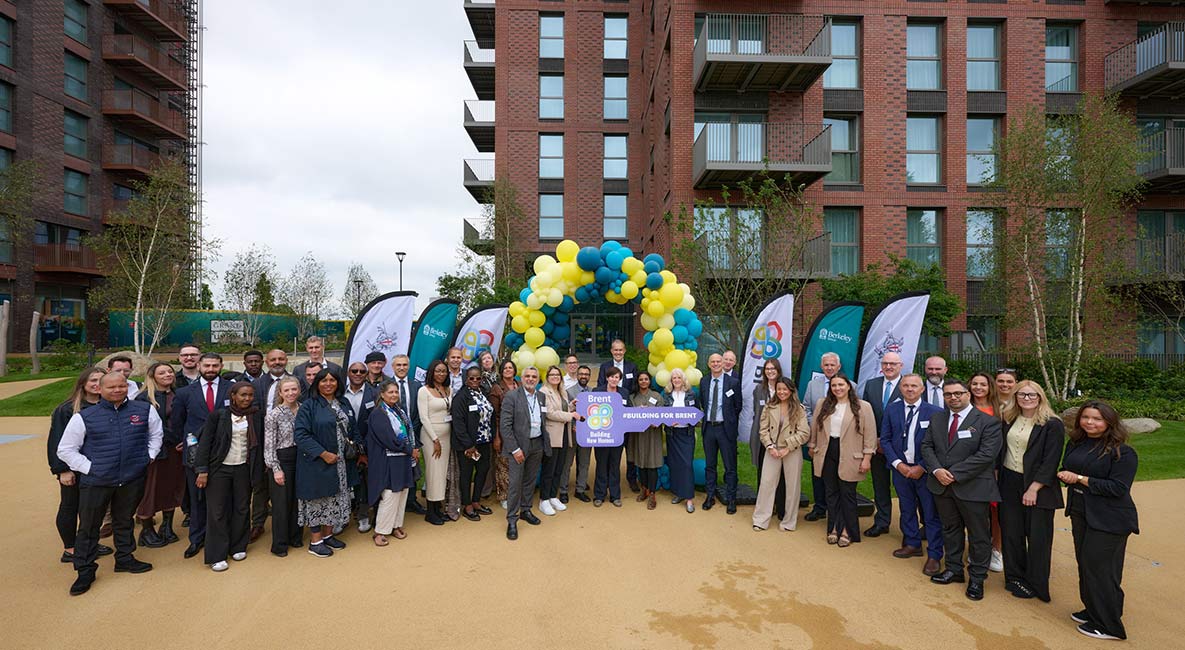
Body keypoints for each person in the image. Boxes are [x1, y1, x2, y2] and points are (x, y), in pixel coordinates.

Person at [56, 372, 162, 596]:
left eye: (121, 386)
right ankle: (85, 570)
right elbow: (65, 449)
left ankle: (124, 558)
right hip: (97, 481)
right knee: (89, 526)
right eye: (111, 387)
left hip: (132, 478)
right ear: (100, 390)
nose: (117, 390)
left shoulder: (144, 410)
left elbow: (156, 435)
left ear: (128, 386)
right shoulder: (84, 416)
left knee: (124, 521)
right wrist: (90, 468)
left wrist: (148, 457)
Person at [1058, 401, 1139, 641]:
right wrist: (1067, 475)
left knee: (1102, 570)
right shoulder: (1076, 443)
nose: (1090, 422)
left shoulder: (1123, 452)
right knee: (1086, 564)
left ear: (1109, 422)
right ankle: (1094, 610)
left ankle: (1109, 626)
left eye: (1097, 419)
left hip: (1110, 519)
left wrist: (1080, 479)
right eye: (1086, 417)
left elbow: (1118, 488)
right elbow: (1068, 468)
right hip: (1082, 512)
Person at [921, 377, 1003, 601]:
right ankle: (954, 569)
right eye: (948, 394)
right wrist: (937, 470)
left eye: (958, 393)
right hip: (941, 486)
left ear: (968, 394)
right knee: (950, 529)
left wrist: (954, 474)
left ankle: (977, 578)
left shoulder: (988, 422)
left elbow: (987, 455)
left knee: (978, 535)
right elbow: (927, 446)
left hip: (973, 487)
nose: (953, 398)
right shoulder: (937, 418)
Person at [998, 380, 1065, 602]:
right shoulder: (1008, 419)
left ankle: (1036, 583)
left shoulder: (1052, 424)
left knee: (1038, 537)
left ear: (1040, 397)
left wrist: (1034, 488)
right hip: (1009, 481)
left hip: (1037, 487)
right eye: (1022, 395)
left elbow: (1051, 460)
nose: (1027, 399)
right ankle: (1015, 577)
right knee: (1011, 532)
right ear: (1015, 397)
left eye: (1032, 395)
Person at [880, 373, 944, 576]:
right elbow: (886, 440)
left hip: (925, 472)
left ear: (922, 389)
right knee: (906, 509)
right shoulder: (892, 409)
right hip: (900, 470)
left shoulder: (935, 412)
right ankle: (912, 543)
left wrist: (922, 467)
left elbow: (939, 446)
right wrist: (898, 465)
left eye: (914, 386)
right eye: (906, 385)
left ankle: (934, 554)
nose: (909, 389)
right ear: (900, 388)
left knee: (931, 514)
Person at [171, 352, 231, 559]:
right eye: (207, 366)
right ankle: (196, 539)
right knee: (197, 499)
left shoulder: (231, 389)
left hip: (225, 451)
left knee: (224, 498)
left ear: (221, 366)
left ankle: (223, 537)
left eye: (215, 365)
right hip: (195, 453)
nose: (211, 369)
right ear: (199, 366)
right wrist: (183, 441)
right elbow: (178, 421)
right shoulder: (185, 393)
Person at [47, 367, 110, 564]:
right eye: (93, 380)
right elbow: (56, 441)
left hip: (99, 466)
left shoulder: (108, 405)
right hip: (73, 467)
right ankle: (71, 547)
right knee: (70, 505)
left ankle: (87, 542)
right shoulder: (67, 409)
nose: (97, 384)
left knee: (91, 507)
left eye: (101, 380)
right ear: (83, 383)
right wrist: (62, 470)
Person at [194, 382, 258, 572]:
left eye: (250, 395)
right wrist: (202, 470)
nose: (247, 399)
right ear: (233, 396)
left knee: (242, 507)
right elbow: (205, 442)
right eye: (243, 395)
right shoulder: (219, 415)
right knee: (217, 511)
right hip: (219, 469)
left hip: (243, 468)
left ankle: (238, 545)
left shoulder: (255, 415)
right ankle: (217, 554)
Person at [294, 368, 357, 558]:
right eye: (323, 381)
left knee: (335, 498)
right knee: (317, 500)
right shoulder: (309, 405)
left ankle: (328, 535)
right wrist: (323, 454)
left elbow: (351, 427)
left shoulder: (343, 402)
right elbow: (301, 435)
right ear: (317, 384)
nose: (328, 384)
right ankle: (316, 541)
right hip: (317, 463)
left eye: (332, 380)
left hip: (341, 463)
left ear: (338, 382)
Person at [807, 373, 875, 548]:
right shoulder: (824, 404)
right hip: (827, 451)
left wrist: (867, 458)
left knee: (847, 493)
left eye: (841, 385)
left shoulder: (863, 407)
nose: (837, 388)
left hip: (851, 454)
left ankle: (847, 530)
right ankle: (834, 529)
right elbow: (814, 427)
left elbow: (870, 435)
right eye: (834, 385)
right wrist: (812, 446)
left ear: (849, 386)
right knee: (831, 493)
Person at [133, 362, 184, 548]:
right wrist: (175, 438)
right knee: (151, 489)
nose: (167, 375)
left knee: (171, 487)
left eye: (170, 371)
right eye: (162, 372)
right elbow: (150, 427)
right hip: (156, 451)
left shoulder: (179, 394)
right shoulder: (144, 398)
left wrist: (185, 440)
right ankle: (147, 530)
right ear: (153, 376)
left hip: (176, 451)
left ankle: (167, 526)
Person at [499, 366, 549, 540]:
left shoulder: (541, 396)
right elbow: (504, 426)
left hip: (537, 445)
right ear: (522, 378)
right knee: (515, 484)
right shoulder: (511, 397)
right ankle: (512, 520)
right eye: (527, 376)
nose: (530, 379)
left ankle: (526, 511)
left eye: (534, 376)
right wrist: (515, 449)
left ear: (537, 379)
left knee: (530, 481)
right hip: (518, 447)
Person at [753, 377, 809, 532]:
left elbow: (804, 433)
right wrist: (770, 446)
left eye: (785, 389)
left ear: (791, 391)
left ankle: (789, 521)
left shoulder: (799, 409)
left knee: (792, 486)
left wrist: (788, 447)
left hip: (791, 450)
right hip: (772, 450)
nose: (782, 392)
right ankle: (760, 519)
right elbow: (763, 429)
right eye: (779, 389)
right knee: (766, 484)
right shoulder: (770, 406)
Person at [367, 380, 419, 544]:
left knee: (402, 492)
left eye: (396, 392)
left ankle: (396, 525)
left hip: (402, 459)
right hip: (388, 460)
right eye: (390, 392)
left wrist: (411, 448)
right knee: (390, 494)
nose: (394, 395)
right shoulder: (378, 413)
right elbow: (388, 439)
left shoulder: (398, 410)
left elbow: (407, 431)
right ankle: (380, 531)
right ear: (382, 394)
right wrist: (410, 450)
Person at [861, 351, 904, 538]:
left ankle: (909, 526)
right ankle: (882, 521)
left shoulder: (908, 385)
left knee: (904, 488)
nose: (888, 367)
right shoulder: (872, 385)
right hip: (876, 446)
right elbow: (866, 415)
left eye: (893, 364)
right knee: (880, 485)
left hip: (901, 447)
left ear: (900, 365)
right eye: (885, 363)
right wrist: (875, 440)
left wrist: (888, 441)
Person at [249, 348, 291, 541]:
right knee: (260, 484)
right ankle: (258, 523)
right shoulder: (257, 384)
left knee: (286, 484)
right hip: (261, 440)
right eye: (273, 359)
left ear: (286, 360)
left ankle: (289, 524)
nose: (277, 362)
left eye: (281, 359)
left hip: (288, 443)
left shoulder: (295, 382)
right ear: (267, 362)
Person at [263, 376, 304, 556]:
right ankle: (280, 544)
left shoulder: (304, 410)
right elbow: (269, 444)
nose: (290, 393)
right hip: (282, 458)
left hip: (302, 458)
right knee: (281, 503)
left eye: (293, 389)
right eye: (286, 390)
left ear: (299, 390)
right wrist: (275, 468)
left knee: (298, 500)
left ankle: (296, 537)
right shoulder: (274, 414)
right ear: (280, 393)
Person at [971, 370, 1006, 573]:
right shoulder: (964, 407)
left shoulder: (1000, 410)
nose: (978, 388)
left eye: (982, 384)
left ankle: (996, 549)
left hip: (992, 468)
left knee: (994, 511)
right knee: (973, 510)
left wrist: (996, 467)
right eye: (974, 384)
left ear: (989, 387)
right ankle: (978, 547)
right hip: (968, 467)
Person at [451, 366, 496, 521]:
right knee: (466, 473)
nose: (475, 381)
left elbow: (489, 415)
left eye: (478, 378)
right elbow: (458, 423)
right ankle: (467, 505)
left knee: (483, 470)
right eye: (472, 378)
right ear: (466, 379)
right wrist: (468, 445)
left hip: (484, 441)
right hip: (468, 445)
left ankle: (476, 501)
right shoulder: (461, 397)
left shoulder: (483, 393)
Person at [802, 352, 842, 521]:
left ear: (839, 367)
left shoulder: (849, 385)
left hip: (839, 438)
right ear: (821, 367)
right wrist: (817, 424)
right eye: (826, 365)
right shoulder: (813, 385)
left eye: (832, 365)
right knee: (817, 472)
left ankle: (837, 509)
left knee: (838, 474)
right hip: (817, 437)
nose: (829, 367)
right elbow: (806, 408)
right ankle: (819, 507)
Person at [701, 353, 742, 514]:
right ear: (709, 364)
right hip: (709, 428)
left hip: (726, 429)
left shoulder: (733, 382)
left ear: (723, 363)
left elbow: (737, 406)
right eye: (713, 362)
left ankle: (731, 499)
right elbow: (703, 403)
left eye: (719, 361)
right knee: (710, 465)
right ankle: (710, 496)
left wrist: (729, 421)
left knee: (730, 466)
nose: (717, 364)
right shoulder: (704, 381)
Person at [597, 339, 640, 492]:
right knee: (607, 453)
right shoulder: (604, 367)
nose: (618, 352)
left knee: (630, 449)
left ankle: (631, 478)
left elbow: (635, 388)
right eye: (615, 350)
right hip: (607, 417)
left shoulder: (631, 367)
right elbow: (600, 388)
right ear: (611, 351)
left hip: (626, 415)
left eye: (621, 350)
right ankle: (605, 482)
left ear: (625, 351)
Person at [748, 359, 788, 520]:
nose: (770, 371)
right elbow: (756, 412)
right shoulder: (759, 389)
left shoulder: (785, 387)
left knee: (782, 473)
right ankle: (765, 507)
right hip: (763, 437)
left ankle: (781, 506)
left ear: (778, 370)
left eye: (773, 369)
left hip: (781, 438)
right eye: (767, 369)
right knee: (763, 473)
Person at [537, 366, 577, 515]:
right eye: (552, 374)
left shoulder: (562, 391)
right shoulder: (543, 392)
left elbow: (563, 409)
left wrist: (572, 406)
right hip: (552, 435)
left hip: (564, 435)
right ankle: (544, 500)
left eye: (557, 374)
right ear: (547, 377)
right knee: (549, 469)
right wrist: (571, 416)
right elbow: (550, 413)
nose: (555, 377)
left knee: (559, 468)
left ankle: (553, 496)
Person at [418, 359, 454, 525]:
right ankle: (430, 512)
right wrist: (435, 439)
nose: (441, 374)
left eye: (444, 371)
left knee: (442, 473)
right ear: (432, 372)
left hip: (447, 437)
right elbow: (424, 417)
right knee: (433, 473)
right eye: (438, 371)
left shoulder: (449, 390)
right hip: (431, 437)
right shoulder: (423, 391)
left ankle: (438, 508)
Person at [344, 361, 377, 533]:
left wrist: (364, 448)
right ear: (348, 373)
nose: (358, 373)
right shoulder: (339, 393)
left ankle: (363, 515)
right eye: (354, 371)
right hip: (344, 446)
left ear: (366, 374)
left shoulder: (374, 393)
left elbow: (377, 423)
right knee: (344, 481)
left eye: (361, 371)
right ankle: (342, 516)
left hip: (368, 446)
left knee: (365, 481)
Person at [391, 354, 426, 515]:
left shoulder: (416, 386)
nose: (401, 368)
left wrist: (413, 433)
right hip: (394, 437)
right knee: (396, 469)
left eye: (404, 365)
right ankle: (397, 504)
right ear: (393, 367)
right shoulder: (386, 385)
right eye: (398, 365)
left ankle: (411, 500)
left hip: (414, 433)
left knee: (413, 467)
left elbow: (419, 411)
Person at [593, 366, 629, 507]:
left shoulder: (624, 392)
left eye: (617, 377)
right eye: (612, 376)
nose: (614, 379)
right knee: (601, 464)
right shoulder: (597, 391)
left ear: (619, 379)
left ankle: (615, 496)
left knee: (615, 464)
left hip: (618, 435)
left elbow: (629, 411)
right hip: (600, 435)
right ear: (607, 377)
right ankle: (599, 495)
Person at [629, 371, 665, 510]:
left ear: (649, 381)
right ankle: (643, 489)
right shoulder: (633, 397)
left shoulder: (657, 396)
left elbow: (662, 414)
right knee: (641, 464)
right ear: (637, 382)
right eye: (641, 379)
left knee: (652, 464)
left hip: (653, 434)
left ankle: (652, 494)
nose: (643, 381)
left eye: (646, 379)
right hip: (638, 434)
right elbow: (628, 415)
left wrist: (657, 420)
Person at [664, 368, 699, 514]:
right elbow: (662, 412)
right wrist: (667, 421)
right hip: (672, 434)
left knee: (686, 465)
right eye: (674, 378)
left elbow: (697, 413)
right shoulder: (666, 395)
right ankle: (679, 493)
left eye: (679, 377)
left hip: (686, 434)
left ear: (683, 379)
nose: (676, 380)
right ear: (671, 381)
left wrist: (690, 420)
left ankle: (689, 498)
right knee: (675, 464)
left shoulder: (691, 394)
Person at [562, 364, 595, 503]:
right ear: (577, 375)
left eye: (586, 374)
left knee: (584, 462)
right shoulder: (568, 391)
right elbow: (564, 411)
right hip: (572, 432)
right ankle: (563, 490)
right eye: (581, 374)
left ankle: (580, 489)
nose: (584, 376)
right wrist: (574, 425)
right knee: (567, 462)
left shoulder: (593, 392)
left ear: (589, 377)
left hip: (587, 434)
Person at [488, 360, 518, 509]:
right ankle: (503, 496)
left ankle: (515, 492)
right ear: (501, 371)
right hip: (502, 430)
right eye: (505, 368)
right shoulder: (496, 388)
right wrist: (497, 437)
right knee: (503, 464)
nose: (508, 370)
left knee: (516, 464)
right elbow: (494, 415)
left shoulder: (519, 385)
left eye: (510, 367)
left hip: (519, 431)